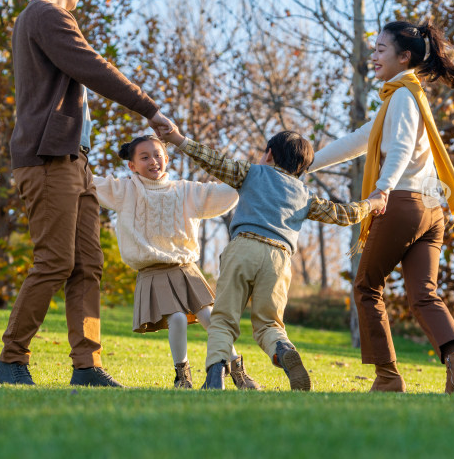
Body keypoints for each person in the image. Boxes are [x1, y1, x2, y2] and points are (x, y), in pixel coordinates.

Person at [0, 0, 175, 387]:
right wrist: (150, 109)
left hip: (75, 161)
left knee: (86, 264)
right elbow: (92, 66)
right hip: (48, 159)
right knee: (54, 261)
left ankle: (87, 367)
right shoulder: (46, 16)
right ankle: (11, 360)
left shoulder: (45, 19)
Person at [308, 20, 454, 394]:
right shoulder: (405, 96)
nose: (373, 56)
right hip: (431, 210)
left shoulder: (402, 96)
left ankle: (387, 377)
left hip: (401, 203)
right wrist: (306, 163)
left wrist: (381, 191)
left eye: (380, 49)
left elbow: (399, 149)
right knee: (424, 295)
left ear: (404, 57)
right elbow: (358, 140)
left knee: (367, 287)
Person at [157, 126, 383, 391]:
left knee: (224, 319)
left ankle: (215, 376)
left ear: (269, 154)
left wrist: (178, 139)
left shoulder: (251, 172)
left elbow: (213, 160)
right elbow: (343, 214)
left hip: (244, 247)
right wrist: (372, 204)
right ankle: (283, 348)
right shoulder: (305, 195)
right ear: (303, 168)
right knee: (268, 323)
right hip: (279, 258)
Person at [93, 135, 261, 389]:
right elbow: (90, 182)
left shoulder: (185, 190)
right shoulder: (125, 191)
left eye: (158, 155)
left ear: (167, 159)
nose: (153, 161)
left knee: (210, 316)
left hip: (185, 268)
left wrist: (253, 173)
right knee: (179, 319)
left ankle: (237, 369)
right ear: (132, 166)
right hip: (153, 270)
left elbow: (224, 192)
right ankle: (182, 376)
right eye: (145, 157)